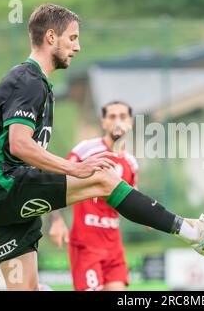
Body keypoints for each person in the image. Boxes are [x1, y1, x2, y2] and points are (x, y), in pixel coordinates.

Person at [0, 4, 204, 291]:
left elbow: (22, 149)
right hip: (2, 185)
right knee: (102, 178)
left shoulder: (39, 86)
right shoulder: (29, 80)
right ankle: (193, 232)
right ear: (51, 37)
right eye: (72, 38)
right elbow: (20, 144)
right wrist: (75, 168)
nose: (78, 46)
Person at [50, 101, 138, 291]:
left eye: (123, 117)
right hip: (86, 245)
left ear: (130, 121)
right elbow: (57, 183)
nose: (118, 122)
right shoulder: (86, 151)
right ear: (104, 122)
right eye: (112, 117)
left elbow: (134, 202)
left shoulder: (131, 163)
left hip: (114, 247)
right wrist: (56, 220)